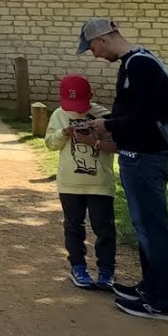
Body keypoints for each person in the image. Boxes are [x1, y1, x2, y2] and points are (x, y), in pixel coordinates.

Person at [81, 18, 168, 323]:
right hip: (136, 154)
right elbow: (136, 110)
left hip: (145, 156)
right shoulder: (133, 63)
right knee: (145, 227)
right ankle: (150, 287)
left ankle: (164, 302)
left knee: (153, 229)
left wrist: (109, 124)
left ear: (102, 39)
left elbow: (149, 113)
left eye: (92, 47)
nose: (94, 54)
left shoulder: (140, 64)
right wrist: (110, 123)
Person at [45, 73, 118, 291]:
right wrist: (64, 132)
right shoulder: (59, 114)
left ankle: (106, 270)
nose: (76, 111)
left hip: (99, 183)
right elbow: (50, 143)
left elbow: (116, 145)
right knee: (73, 226)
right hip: (70, 183)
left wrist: (92, 140)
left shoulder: (104, 116)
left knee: (104, 228)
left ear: (91, 96)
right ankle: (78, 266)